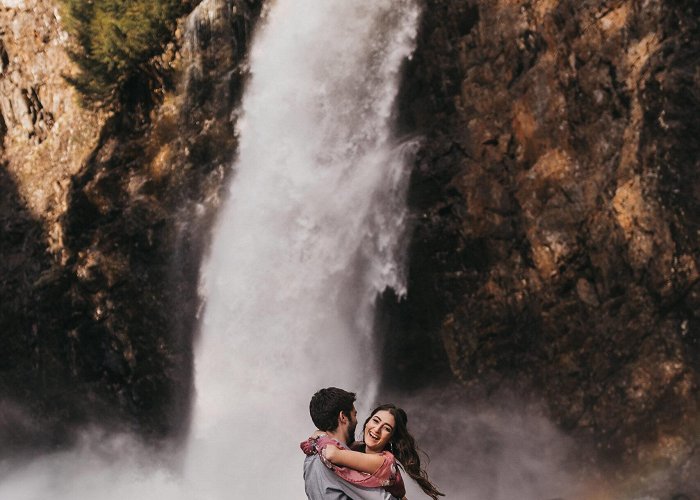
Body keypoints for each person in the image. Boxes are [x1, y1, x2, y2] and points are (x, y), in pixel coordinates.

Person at [303, 396, 444, 500]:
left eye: (386, 428)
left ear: (392, 438)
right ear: (367, 421)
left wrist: (319, 436)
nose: (376, 430)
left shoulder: (383, 461)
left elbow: (332, 454)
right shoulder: (354, 448)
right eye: (375, 421)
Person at [303, 387, 396, 500]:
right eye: (354, 415)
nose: (356, 421)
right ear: (343, 417)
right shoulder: (338, 461)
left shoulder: (310, 457)